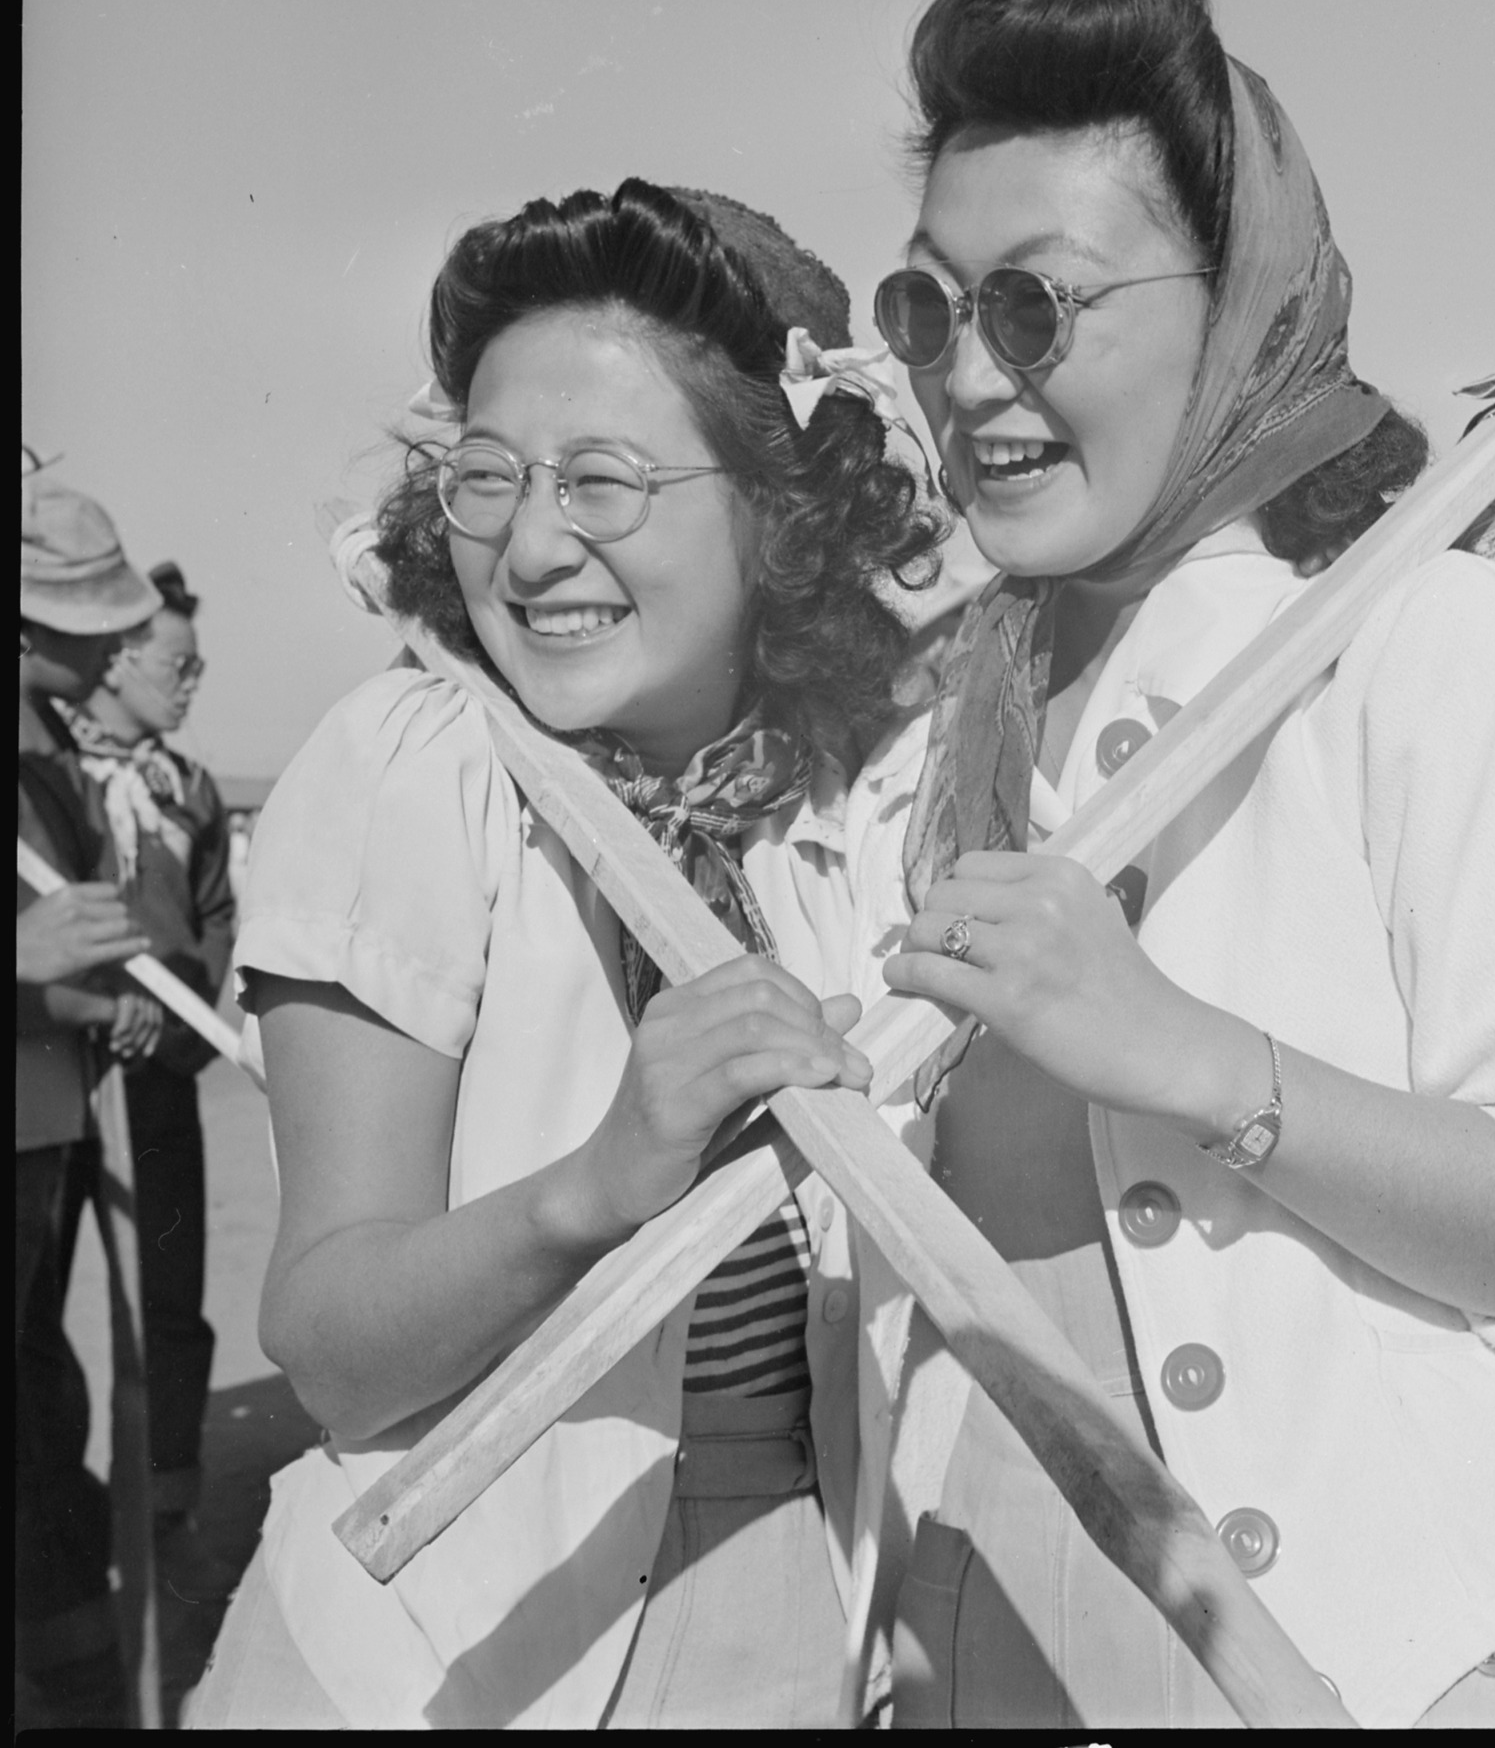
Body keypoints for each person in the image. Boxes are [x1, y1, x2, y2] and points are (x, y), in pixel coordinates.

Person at [838, 0, 1495, 1729]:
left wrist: (1192, 1059)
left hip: (1375, 1657)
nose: (971, 382)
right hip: (980, 1618)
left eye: (1038, 306)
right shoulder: (930, 730)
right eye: (930, 312)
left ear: (1240, 305)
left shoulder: (1418, 646)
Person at [182, 180, 939, 1728]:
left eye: (601, 481)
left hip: (796, 1618)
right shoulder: (415, 767)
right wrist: (597, 1183)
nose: (529, 549)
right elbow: (328, 1352)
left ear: (777, 507)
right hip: (449, 1638)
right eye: (488, 477)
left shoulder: (856, 807)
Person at [18, 465, 165, 1725]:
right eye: (84, 612)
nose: (119, 637)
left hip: (41, 1128)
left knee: (35, 1399)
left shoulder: (49, 757)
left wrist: (78, 998)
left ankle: (70, 1674)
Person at [56, 561, 236, 1577]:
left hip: (157, 1072)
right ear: (116, 657)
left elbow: (214, 915)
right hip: (55, 1074)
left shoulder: (189, 788)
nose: (192, 679)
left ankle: (166, 1498)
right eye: (179, 661)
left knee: (166, 1292)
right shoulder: (51, 776)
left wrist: (183, 1016)